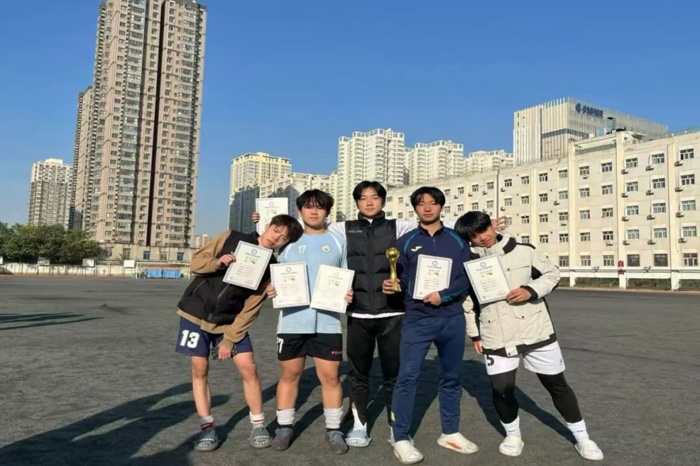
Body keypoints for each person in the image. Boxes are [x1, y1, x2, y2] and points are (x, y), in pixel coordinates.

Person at [455, 211, 604, 461]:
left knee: (556, 384)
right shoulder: (467, 262)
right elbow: (468, 302)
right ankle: (513, 435)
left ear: (491, 225)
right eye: (474, 235)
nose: (482, 238)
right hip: (496, 334)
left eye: (484, 230)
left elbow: (552, 274)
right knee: (502, 390)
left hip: (536, 330)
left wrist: (530, 290)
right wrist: (475, 335)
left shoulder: (524, 251)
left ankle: (583, 438)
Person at [175, 214, 303, 452]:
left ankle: (258, 425)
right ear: (268, 226)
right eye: (276, 231)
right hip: (195, 314)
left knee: (249, 368)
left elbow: (251, 308)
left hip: (230, 321)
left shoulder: (271, 268)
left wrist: (229, 339)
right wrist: (218, 262)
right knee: (199, 368)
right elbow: (196, 263)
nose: (276, 238)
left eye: (283, 238)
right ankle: (207, 427)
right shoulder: (231, 237)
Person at [382, 186, 478, 464]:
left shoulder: (458, 241)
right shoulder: (405, 242)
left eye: (432, 203)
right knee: (407, 377)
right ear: (414, 208)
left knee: (452, 377)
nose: (427, 208)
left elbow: (466, 277)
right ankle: (400, 436)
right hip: (418, 319)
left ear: (441, 206)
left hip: (451, 318)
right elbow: (399, 278)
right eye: (421, 203)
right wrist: (392, 286)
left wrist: (443, 295)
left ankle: (450, 432)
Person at [265, 189, 353, 455]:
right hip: (292, 322)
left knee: (331, 377)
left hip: (327, 322)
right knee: (289, 375)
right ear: (300, 210)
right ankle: (284, 427)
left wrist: (348, 291)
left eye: (320, 207)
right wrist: (271, 287)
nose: (314, 211)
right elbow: (271, 270)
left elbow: (346, 275)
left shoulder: (339, 241)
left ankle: (334, 429)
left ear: (327, 211)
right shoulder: (288, 241)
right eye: (309, 207)